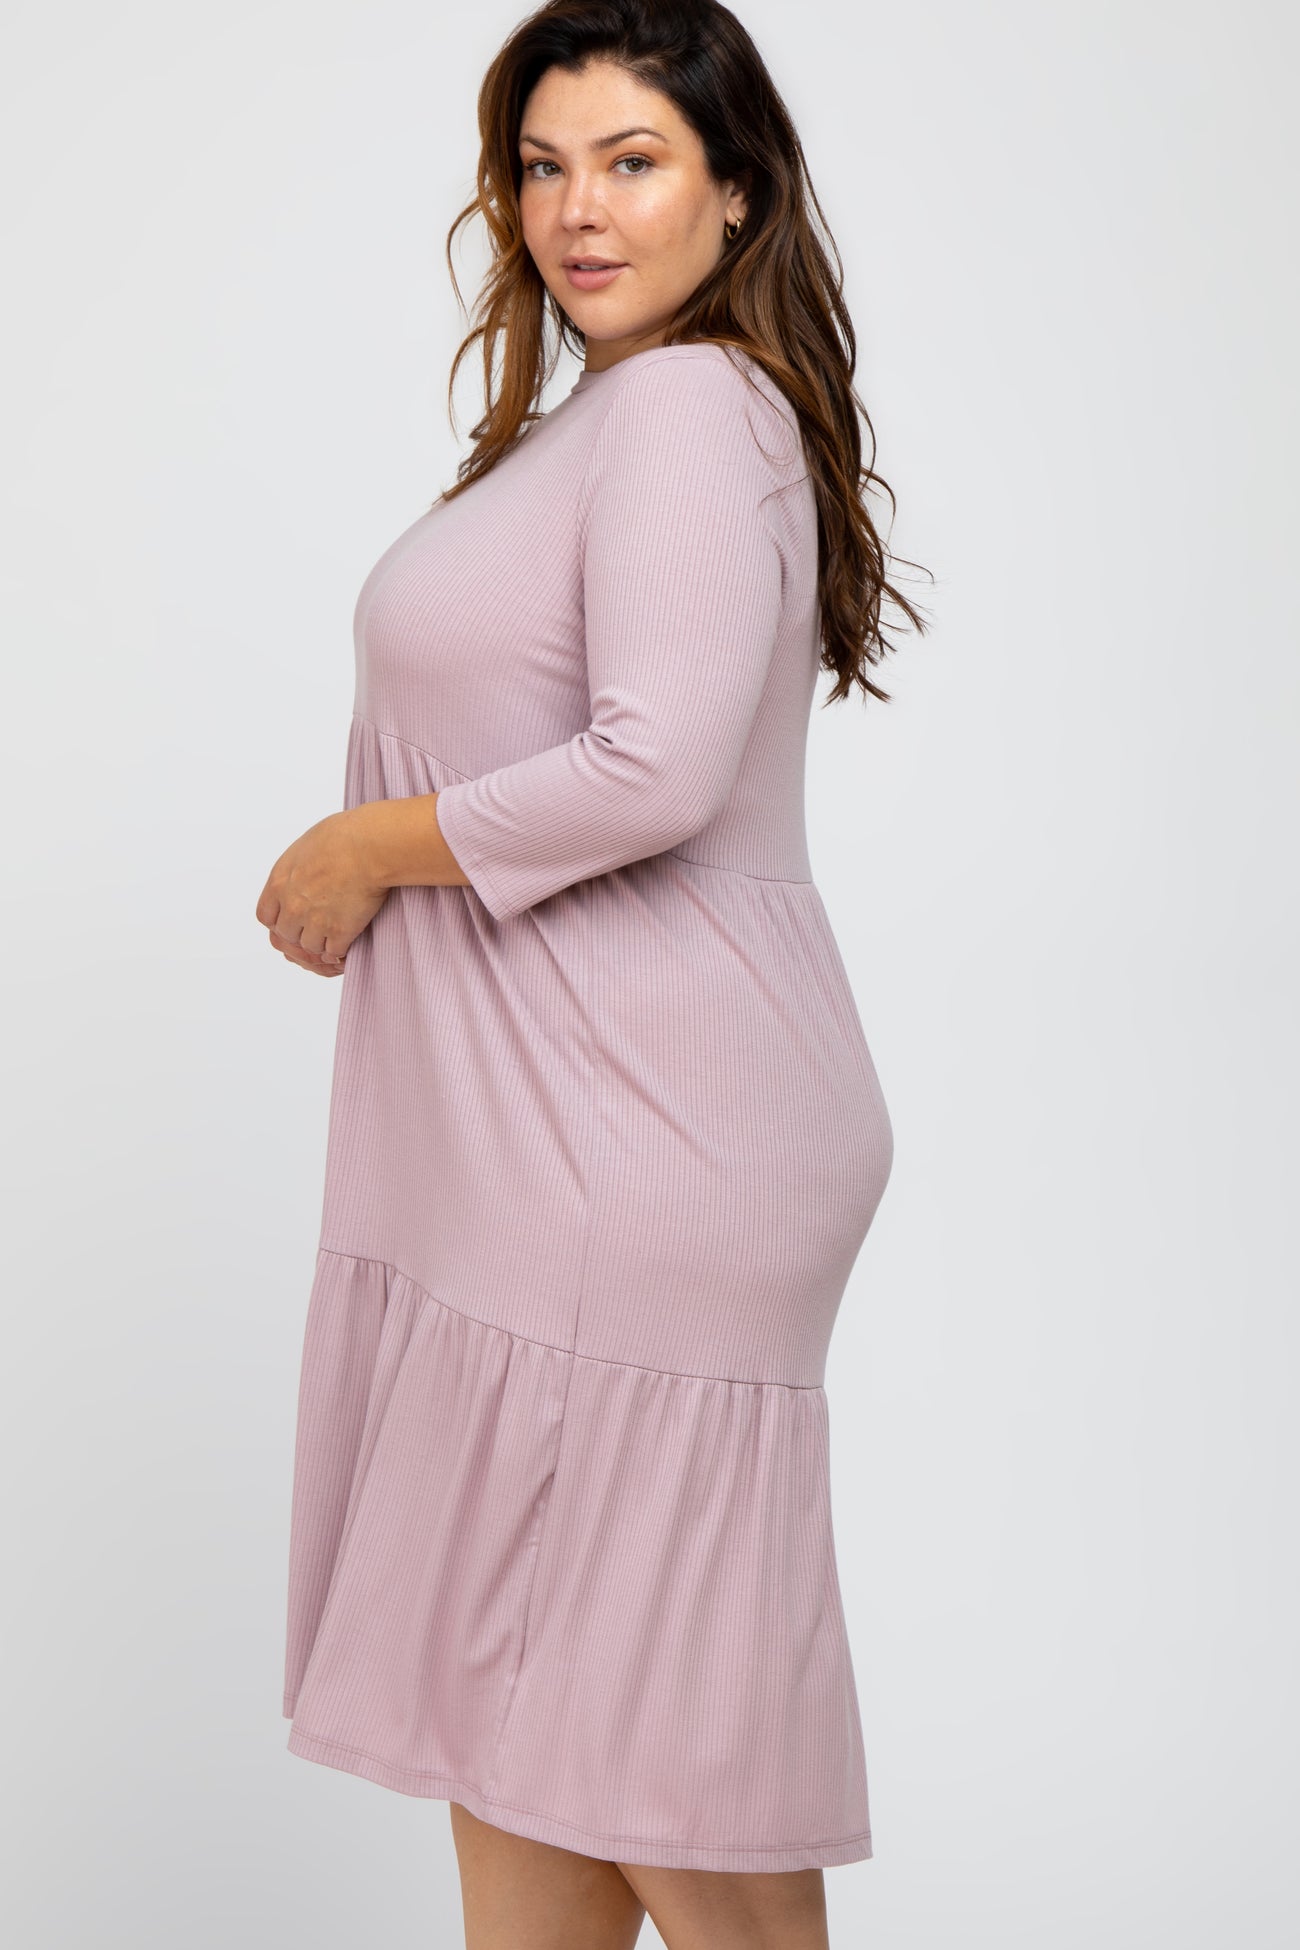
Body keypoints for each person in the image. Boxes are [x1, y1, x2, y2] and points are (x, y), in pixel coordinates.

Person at [256, 3, 929, 1945]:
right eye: (542, 167)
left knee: (659, 1765)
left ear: (737, 191)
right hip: (551, 1150)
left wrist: (363, 847)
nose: (576, 209)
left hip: (639, 1144)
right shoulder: (603, 424)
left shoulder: (694, 408)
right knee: (527, 1743)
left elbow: (657, 765)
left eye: (632, 161)